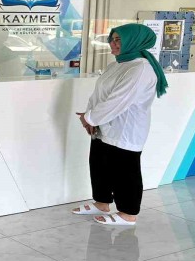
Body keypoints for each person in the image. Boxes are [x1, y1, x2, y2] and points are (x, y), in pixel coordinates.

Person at [72, 23, 168, 226]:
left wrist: (90, 119)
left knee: (125, 171)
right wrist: (90, 116)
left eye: (119, 40)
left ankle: (128, 214)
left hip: (125, 129)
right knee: (99, 165)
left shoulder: (140, 69)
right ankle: (102, 203)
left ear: (133, 41)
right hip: (103, 125)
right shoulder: (117, 64)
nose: (113, 44)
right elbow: (99, 94)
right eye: (112, 39)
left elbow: (119, 100)